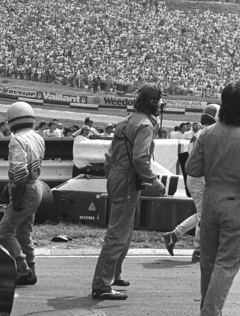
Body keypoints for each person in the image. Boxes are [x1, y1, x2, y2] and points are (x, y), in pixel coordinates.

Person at [91, 84, 166, 300]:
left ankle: (114, 273)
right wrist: (154, 181)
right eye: (159, 100)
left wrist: (114, 176)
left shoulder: (126, 121)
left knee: (126, 229)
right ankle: (101, 285)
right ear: (154, 102)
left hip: (117, 174)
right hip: (126, 178)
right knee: (118, 232)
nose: (161, 104)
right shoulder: (144, 126)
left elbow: (109, 156)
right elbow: (141, 159)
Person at [185, 81, 240, 316]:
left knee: (207, 260)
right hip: (236, 203)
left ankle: (206, 312)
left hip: (210, 200)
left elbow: (193, 170)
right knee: (226, 264)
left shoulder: (208, 133)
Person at [162, 104, 220, 262]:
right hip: (200, 177)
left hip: (194, 176)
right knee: (205, 215)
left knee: (204, 213)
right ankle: (197, 250)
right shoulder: (208, 133)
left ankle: (175, 235)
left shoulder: (199, 133)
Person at [0, 102, 45, 286]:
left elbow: (20, 171)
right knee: (24, 233)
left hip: (24, 190)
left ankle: (23, 268)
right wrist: (9, 186)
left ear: (11, 120)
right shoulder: (38, 137)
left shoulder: (17, 140)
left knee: (4, 232)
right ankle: (31, 271)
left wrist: (15, 196)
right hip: (36, 187)